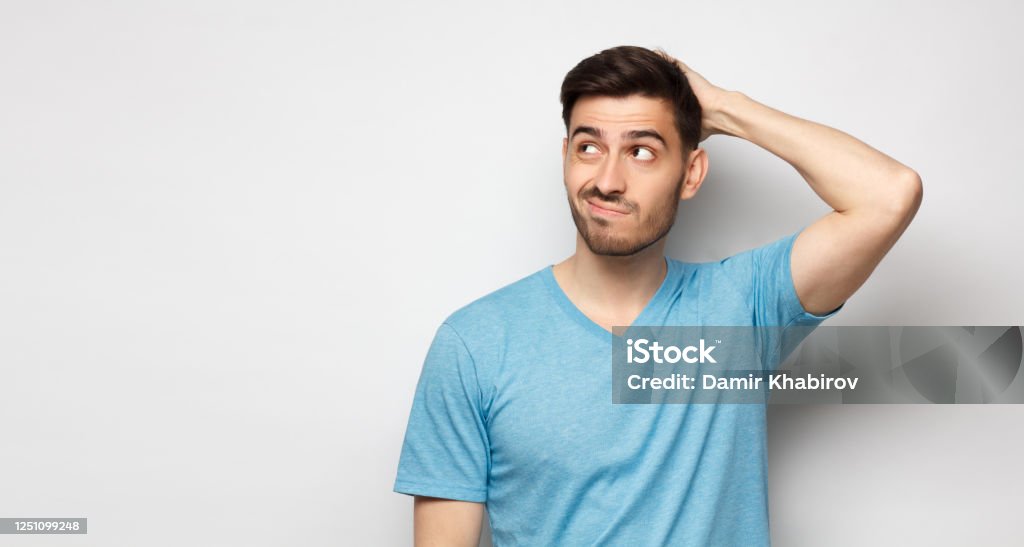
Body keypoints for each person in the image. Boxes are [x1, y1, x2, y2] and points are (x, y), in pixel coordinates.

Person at [392, 45, 922, 546]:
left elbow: (888, 194)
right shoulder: (475, 344)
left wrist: (724, 108)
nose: (607, 179)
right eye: (588, 147)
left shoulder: (741, 313)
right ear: (565, 157)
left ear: (690, 173)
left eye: (641, 151)